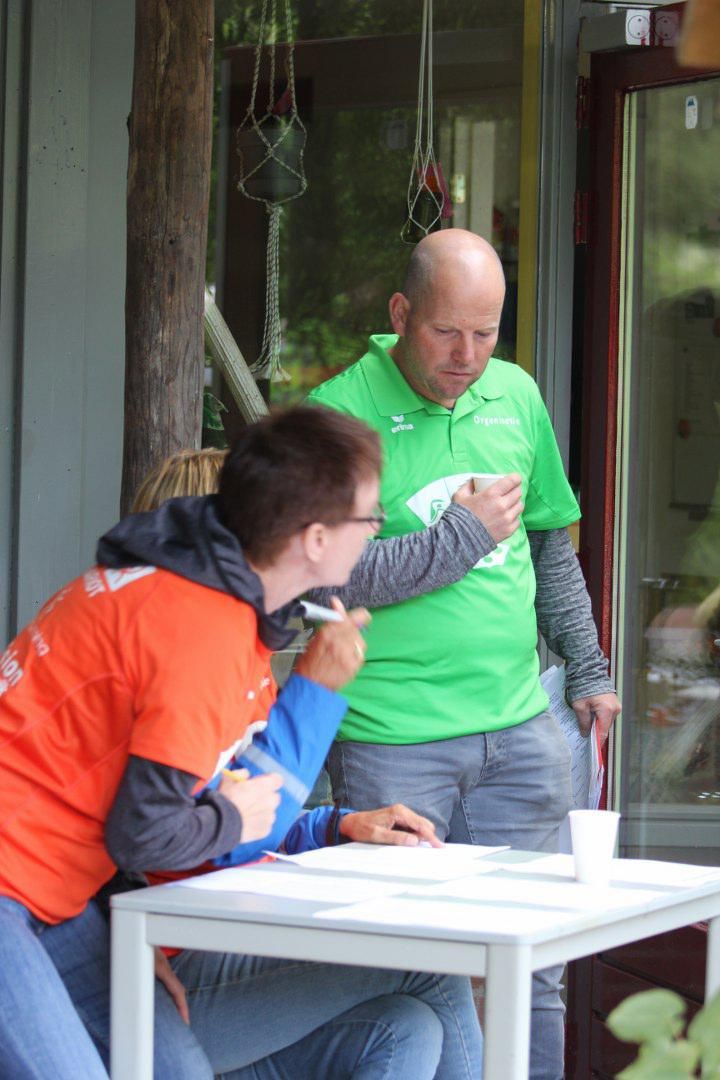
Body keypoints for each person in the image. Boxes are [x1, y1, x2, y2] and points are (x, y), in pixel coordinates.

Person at [0, 407, 483, 1080]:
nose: (377, 533)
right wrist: (243, 806)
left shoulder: (190, 585)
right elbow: (147, 834)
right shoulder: (201, 627)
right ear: (316, 539)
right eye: (369, 519)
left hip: (61, 892)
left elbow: (94, 783)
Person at [308, 229, 623, 1080]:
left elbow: (551, 546)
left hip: (523, 729)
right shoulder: (340, 415)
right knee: (412, 976)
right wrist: (458, 535)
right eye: (448, 332)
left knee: (538, 969)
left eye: (487, 334)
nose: (468, 356)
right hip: (394, 737)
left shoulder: (515, 395)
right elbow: (327, 578)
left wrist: (587, 666)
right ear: (401, 314)